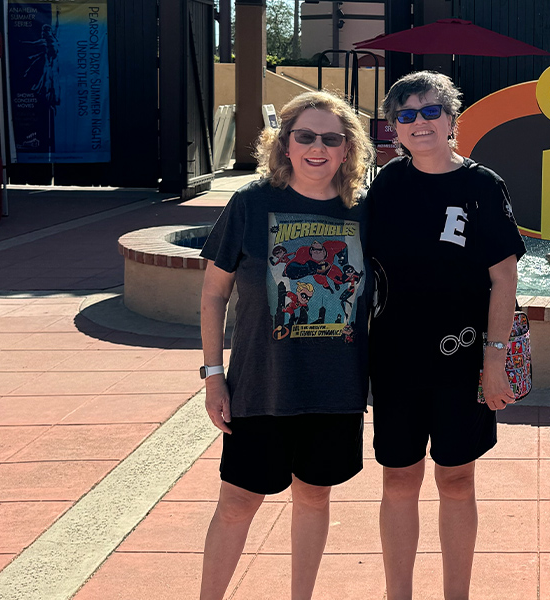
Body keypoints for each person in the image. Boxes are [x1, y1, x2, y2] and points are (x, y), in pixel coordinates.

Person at [198, 90, 375, 600]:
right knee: (237, 502)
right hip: (260, 387)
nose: (317, 148)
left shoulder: (363, 214)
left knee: (314, 496)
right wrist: (213, 376)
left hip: (336, 389)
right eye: (305, 136)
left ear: (347, 149)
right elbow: (213, 295)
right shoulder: (250, 204)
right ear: (285, 143)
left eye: (331, 138)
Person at [366, 71, 526, 600]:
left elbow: (503, 277)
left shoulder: (483, 185)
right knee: (398, 479)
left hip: (462, 359)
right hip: (395, 360)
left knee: (456, 480)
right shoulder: (386, 184)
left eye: (431, 111)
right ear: (394, 128)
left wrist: (495, 357)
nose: (420, 123)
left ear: (452, 118)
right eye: (406, 115)